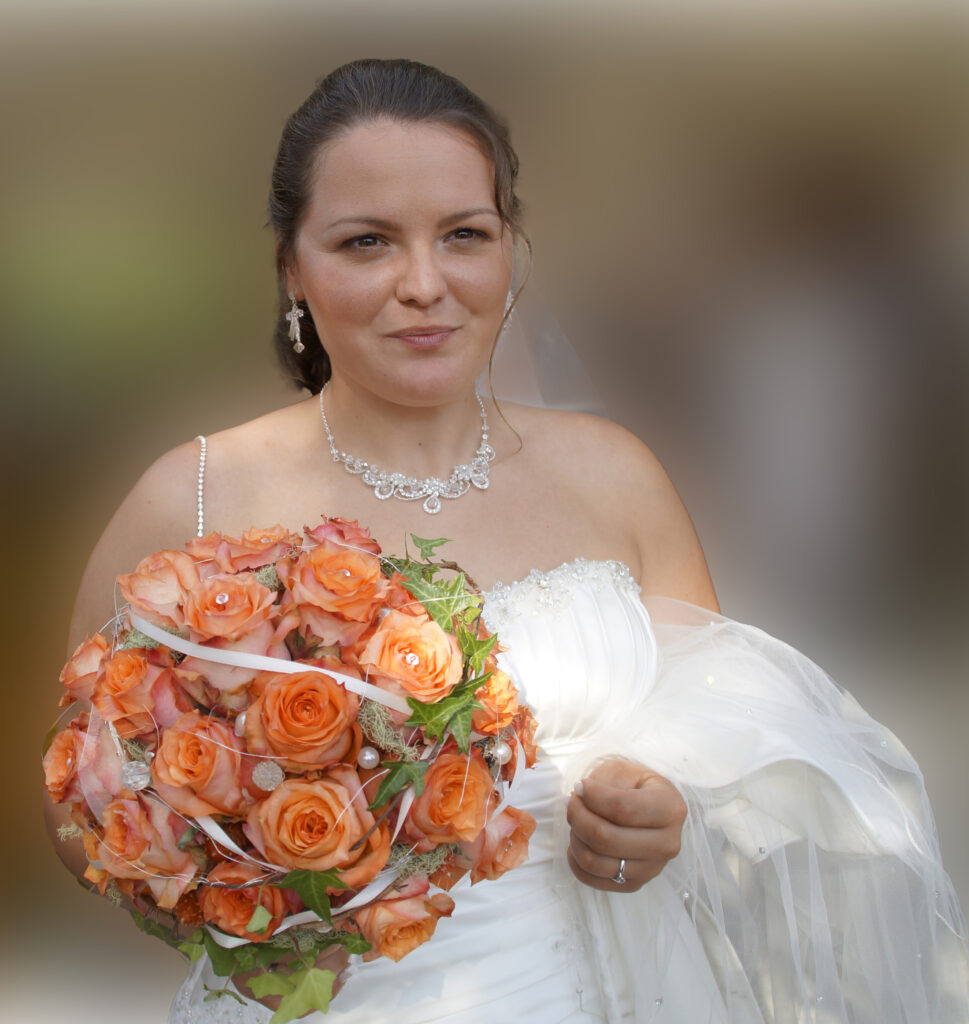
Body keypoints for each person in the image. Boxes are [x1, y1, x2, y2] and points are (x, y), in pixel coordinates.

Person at [46, 59, 968, 1022]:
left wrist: (663, 818)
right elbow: (72, 811)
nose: (422, 283)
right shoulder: (188, 500)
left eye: (463, 236)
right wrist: (237, 847)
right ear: (292, 266)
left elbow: (730, 754)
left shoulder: (617, 477)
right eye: (366, 242)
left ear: (511, 250)